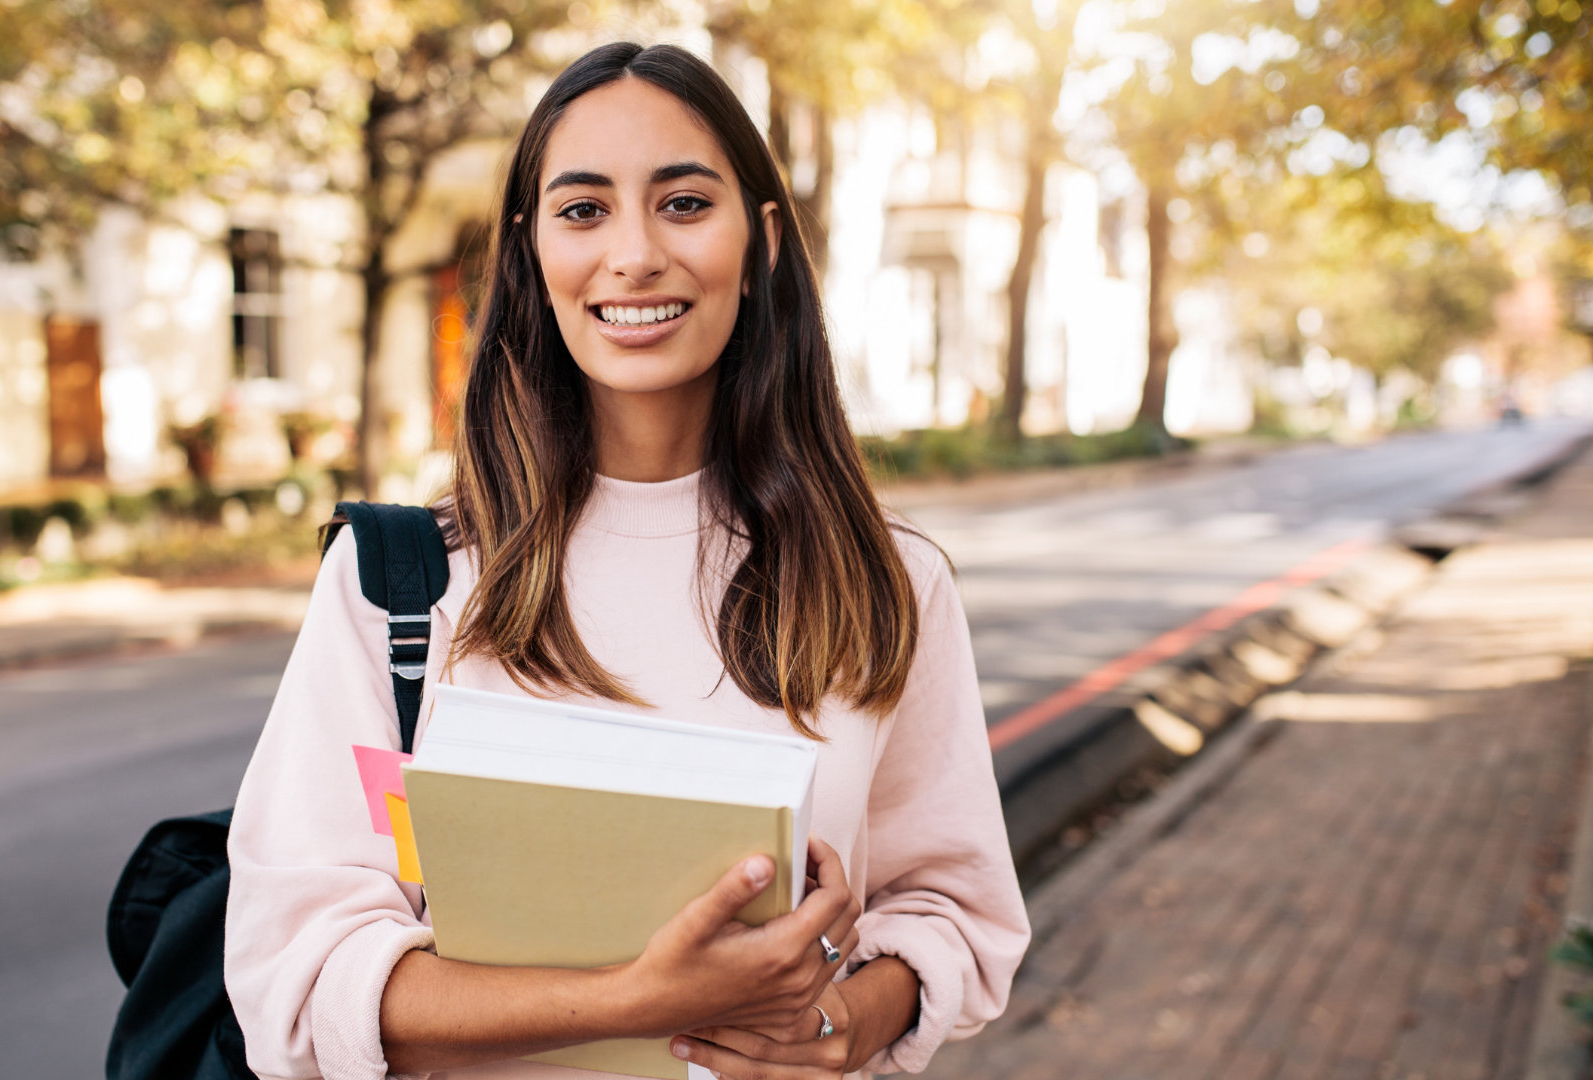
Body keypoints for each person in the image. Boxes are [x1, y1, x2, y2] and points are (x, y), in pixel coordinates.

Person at [225, 41, 1030, 1080]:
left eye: (686, 203)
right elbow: (293, 975)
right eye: (583, 209)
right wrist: (633, 1002)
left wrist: (838, 1031)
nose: (635, 255)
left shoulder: (888, 584)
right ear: (531, 252)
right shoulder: (401, 588)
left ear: (764, 241)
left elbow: (950, 914)